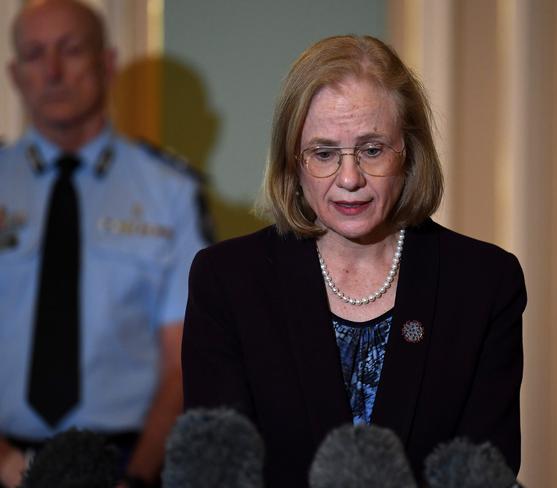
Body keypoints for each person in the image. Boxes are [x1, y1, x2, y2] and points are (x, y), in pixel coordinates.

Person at [182, 35, 526, 487]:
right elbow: (215, 474)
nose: (349, 178)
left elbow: (485, 472)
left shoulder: (484, 283)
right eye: (323, 153)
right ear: (293, 162)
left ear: (409, 154)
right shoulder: (227, 280)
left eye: (372, 149)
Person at [0, 1, 211, 487]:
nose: (52, 71)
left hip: (127, 462)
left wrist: (136, 476)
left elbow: (185, 358)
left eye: (71, 50)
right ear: (15, 73)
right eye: (34, 54)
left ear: (107, 63)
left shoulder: (171, 193)